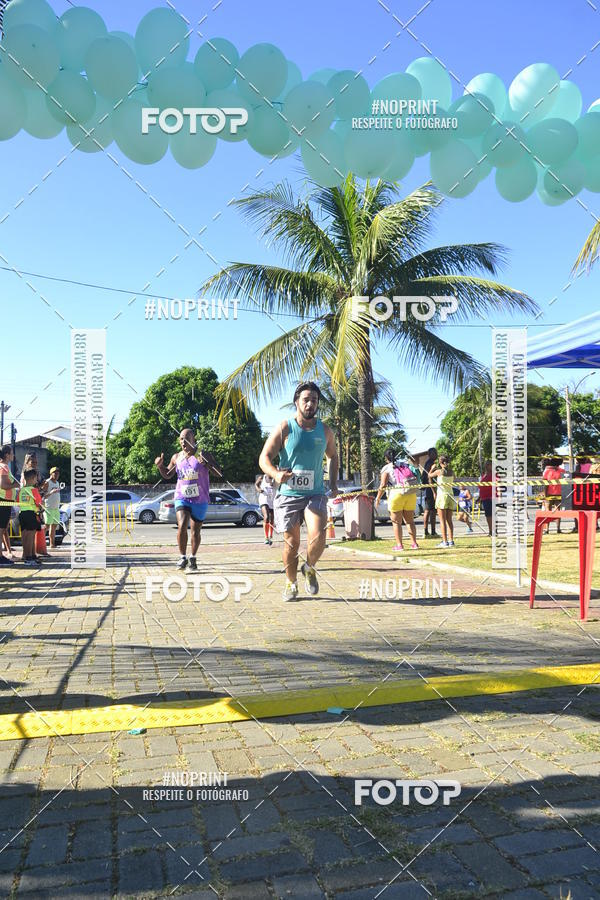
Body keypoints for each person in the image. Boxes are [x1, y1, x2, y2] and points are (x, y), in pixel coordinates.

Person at [259, 382, 339, 602]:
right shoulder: (285, 427)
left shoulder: (325, 431)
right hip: (288, 494)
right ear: (297, 402)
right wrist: (275, 474)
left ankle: (310, 567)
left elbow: (333, 456)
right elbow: (264, 458)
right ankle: (291, 583)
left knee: (319, 534)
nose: (310, 403)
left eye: (314, 400)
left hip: (315, 493)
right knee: (291, 544)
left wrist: (332, 483)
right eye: (306, 399)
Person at [155, 429, 222, 570]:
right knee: (182, 524)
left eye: (186, 439)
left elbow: (219, 473)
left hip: (200, 499)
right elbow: (167, 474)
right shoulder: (177, 457)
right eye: (181, 439)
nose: (183, 442)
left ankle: (193, 557)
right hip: (182, 497)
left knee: (195, 532)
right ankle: (182, 557)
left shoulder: (203, 454)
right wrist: (160, 466)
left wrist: (208, 464)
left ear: (193, 439)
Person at [374, 449, 420, 551]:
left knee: (396, 522)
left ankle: (399, 545)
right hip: (410, 493)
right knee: (410, 521)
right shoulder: (405, 464)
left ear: (386, 458)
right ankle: (414, 544)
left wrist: (377, 498)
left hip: (396, 494)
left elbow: (383, 485)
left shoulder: (386, 468)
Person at [18, 469, 44, 566]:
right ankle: (29, 558)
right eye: (36, 478)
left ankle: (28, 556)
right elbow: (39, 503)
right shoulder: (34, 490)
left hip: (22, 514)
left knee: (25, 536)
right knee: (30, 536)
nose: (37, 480)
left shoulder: (22, 490)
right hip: (31, 513)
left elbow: (18, 501)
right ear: (33, 478)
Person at [430, 455, 455, 547]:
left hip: (442, 496)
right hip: (450, 496)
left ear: (440, 463)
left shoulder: (439, 471)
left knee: (442, 520)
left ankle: (445, 541)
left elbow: (429, 475)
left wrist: (432, 469)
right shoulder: (452, 472)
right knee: (449, 520)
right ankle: (451, 540)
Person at [0, 446, 16, 565]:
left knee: (3, 529)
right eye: (11, 453)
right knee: (1, 530)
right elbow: (3, 485)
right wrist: (15, 485)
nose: (13, 455)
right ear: (6, 455)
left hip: (6, 501)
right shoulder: (3, 467)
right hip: (3, 501)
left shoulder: (5, 467)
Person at [542, 456, 565, 534]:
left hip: (549, 494)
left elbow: (545, 484)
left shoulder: (547, 471)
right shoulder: (562, 471)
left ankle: (547, 529)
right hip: (559, 493)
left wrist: (545, 494)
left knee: (547, 511)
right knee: (558, 511)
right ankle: (558, 528)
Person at [41, 467, 62, 549]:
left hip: (56, 508)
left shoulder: (57, 482)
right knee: (46, 526)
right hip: (48, 508)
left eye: (58, 473)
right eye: (55, 473)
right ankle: (40, 543)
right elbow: (43, 495)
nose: (57, 475)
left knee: (54, 527)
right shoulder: (47, 482)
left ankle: (52, 544)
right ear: (51, 474)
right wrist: (51, 492)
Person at [422, 448, 439, 539]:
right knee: (429, 510)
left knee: (432, 511)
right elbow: (429, 479)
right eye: (434, 453)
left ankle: (432, 531)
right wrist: (434, 492)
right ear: (430, 454)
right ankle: (427, 532)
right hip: (431, 490)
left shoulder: (428, 463)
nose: (436, 454)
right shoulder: (430, 463)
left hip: (431, 489)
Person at [255, 472, 275, 545]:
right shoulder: (261, 478)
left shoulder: (275, 478)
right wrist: (259, 489)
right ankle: (266, 537)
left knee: (272, 518)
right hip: (264, 499)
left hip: (272, 500)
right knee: (266, 517)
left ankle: (270, 535)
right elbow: (256, 484)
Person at [479, 460, 494, 537]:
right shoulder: (483, 475)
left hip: (491, 497)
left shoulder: (494, 475)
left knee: (492, 515)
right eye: (486, 464)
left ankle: (493, 531)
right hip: (484, 498)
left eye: (489, 464)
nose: (487, 466)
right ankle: (490, 530)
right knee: (488, 515)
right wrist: (479, 497)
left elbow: (498, 485)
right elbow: (481, 486)